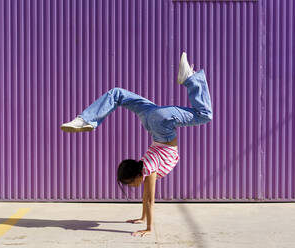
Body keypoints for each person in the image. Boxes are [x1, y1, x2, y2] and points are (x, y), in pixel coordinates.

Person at [61, 52, 213, 237]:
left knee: (205, 115)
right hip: (150, 117)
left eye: (130, 184)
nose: (132, 187)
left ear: (136, 175)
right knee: (118, 93)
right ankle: (85, 120)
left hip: (160, 124)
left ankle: (190, 79)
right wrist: (141, 218)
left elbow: (149, 200)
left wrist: (148, 228)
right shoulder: (145, 164)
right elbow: (145, 198)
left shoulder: (148, 170)